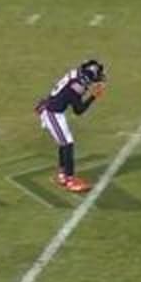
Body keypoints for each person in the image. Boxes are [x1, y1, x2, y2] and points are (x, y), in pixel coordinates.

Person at [35, 60, 106, 193]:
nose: (96, 80)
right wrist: (93, 96)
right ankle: (70, 180)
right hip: (52, 113)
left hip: (53, 109)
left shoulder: (74, 76)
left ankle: (62, 175)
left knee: (64, 143)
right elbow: (78, 110)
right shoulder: (77, 86)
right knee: (68, 144)